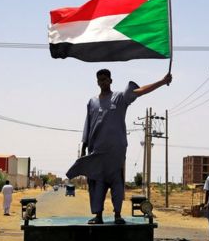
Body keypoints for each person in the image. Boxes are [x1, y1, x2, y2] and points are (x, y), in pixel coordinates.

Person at [67, 69, 172, 224]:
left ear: (111, 80)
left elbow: (140, 91)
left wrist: (162, 82)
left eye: (105, 79)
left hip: (115, 153)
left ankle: (117, 214)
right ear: (97, 82)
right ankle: (98, 215)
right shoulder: (92, 102)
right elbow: (87, 126)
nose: (102, 82)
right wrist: (83, 148)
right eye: (100, 80)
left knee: (117, 182)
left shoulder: (119, 98)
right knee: (97, 183)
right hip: (97, 152)